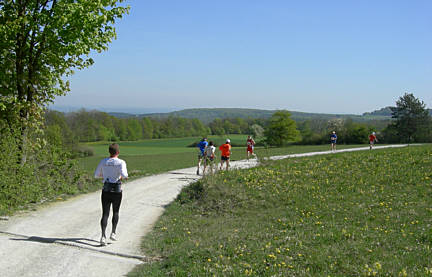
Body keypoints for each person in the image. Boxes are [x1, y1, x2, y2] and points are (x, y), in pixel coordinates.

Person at [94, 143, 128, 246]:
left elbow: (96, 175)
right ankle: (113, 233)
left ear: (109, 152)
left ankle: (103, 236)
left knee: (105, 213)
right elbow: (125, 175)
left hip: (106, 189)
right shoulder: (121, 162)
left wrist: (104, 175)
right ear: (118, 152)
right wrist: (120, 176)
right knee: (116, 212)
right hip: (117, 190)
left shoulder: (103, 162)